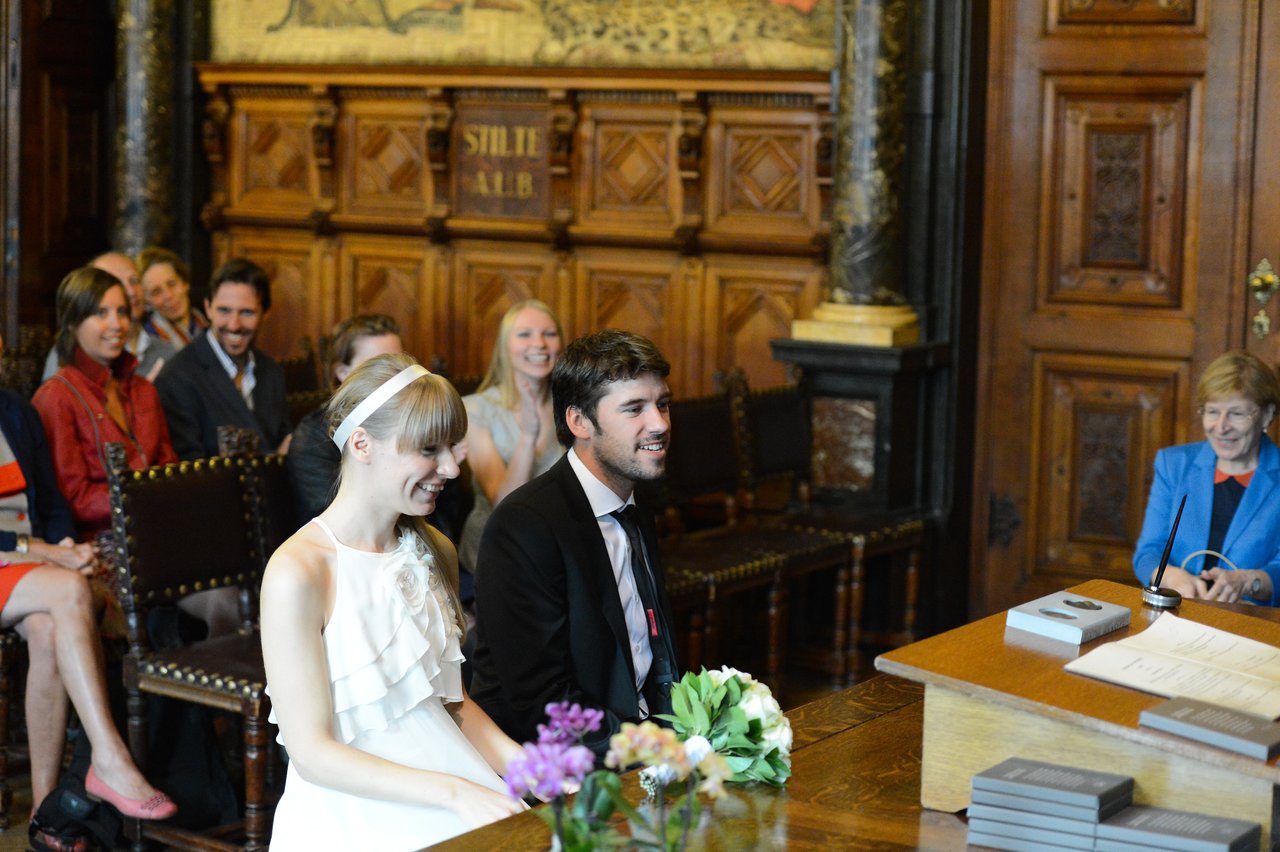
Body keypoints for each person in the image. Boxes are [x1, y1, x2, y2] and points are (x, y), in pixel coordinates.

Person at [261, 354, 524, 850]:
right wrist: (455, 795)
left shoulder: (434, 550)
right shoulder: (298, 571)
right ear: (362, 443)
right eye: (429, 449)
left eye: (452, 447)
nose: (450, 467)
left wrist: (547, 773)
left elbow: (454, 706)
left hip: (449, 773)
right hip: (353, 806)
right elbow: (313, 752)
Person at [469, 329, 679, 756]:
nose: (659, 423)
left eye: (662, 404)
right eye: (634, 409)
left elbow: (649, 650)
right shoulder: (524, 526)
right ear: (578, 421)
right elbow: (541, 702)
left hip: (638, 737)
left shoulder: (636, 499)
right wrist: (645, 751)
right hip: (554, 765)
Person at [0, 335, 178, 837]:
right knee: (71, 592)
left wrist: (63, 542)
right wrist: (49, 553)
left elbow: (53, 500)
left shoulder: (14, 408)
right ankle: (108, 757)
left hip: (25, 568)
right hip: (17, 560)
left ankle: (45, 815)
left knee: (49, 631)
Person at [32, 266, 178, 537]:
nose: (117, 324)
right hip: (101, 540)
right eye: (101, 313)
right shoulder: (56, 397)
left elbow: (169, 466)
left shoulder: (143, 389)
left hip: (159, 526)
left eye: (122, 312)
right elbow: (73, 498)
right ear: (73, 323)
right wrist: (145, 498)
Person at [1133, 350, 1280, 604]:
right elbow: (1148, 553)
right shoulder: (1173, 465)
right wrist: (1171, 577)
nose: (1221, 427)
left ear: (1266, 415)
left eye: (1236, 414)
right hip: (1178, 613)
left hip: (1252, 623)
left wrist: (1249, 581)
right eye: (1212, 412)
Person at [457, 300, 564, 575]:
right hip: (498, 545)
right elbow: (503, 505)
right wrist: (528, 436)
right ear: (505, 347)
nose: (539, 343)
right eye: (524, 334)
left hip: (558, 540)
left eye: (549, 334)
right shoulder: (475, 409)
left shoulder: (573, 409)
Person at [154, 258, 291, 460]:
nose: (234, 325)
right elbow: (188, 474)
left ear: (265, 313)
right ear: (208, 308)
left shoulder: (272, 372)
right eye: (224, 311)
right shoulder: (176, 378)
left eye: (246, 312)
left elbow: (286, 444)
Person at [286, 313, 404, 521]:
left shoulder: (416, 422)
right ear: (342, 372)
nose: (394, 378)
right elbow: (337, 521)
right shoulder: (314, 437)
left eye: (399, 366)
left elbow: (447, 510)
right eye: (378, 366)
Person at [42, 252, 175, 383]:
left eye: (134, 280)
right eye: (115, 283)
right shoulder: (68, 357)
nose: (131, 291)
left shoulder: (166, 351)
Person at [137, 246, 208, 349]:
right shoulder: (147, 343)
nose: (168, 296)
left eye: (171, 284)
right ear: (147, 301)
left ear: (185, 283)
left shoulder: (205, 322)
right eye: (156, 292)